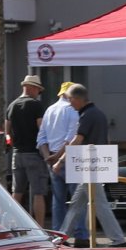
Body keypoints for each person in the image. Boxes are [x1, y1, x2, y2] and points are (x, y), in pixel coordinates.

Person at [60, 83, 126, 248]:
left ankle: (118, 239)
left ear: (78, 99)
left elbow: (78, 139)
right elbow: (107, 139)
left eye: (70, 99)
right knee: (77, 203)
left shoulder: (87, 115)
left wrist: (60, 161)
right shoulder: (99, 113)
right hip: (95, 165)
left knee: (99, 204)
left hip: (90, 167)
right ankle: (62, 236)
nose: (70, 103)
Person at [37, 80, 81, 235]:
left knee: (58, 200)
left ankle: (58, 233)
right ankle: (80, 233)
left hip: (51, 157)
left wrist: (48, 156)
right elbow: (71, 139)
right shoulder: (72, 110)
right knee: (77, 199)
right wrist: (58, 156)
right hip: (70, 157)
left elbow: (41, 138)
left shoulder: (49, 110)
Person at [4, 74, 48, 225]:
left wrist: (13, 144)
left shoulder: (11, 106)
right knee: (38, 193)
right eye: (38, 90)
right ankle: (40, 227)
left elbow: (7, 133)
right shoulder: (36, 105)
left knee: (17, 192)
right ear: (32, 88)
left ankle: (13, 226)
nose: (38, 93)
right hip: (34, 154)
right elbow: (42, 130)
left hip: (17, 154)